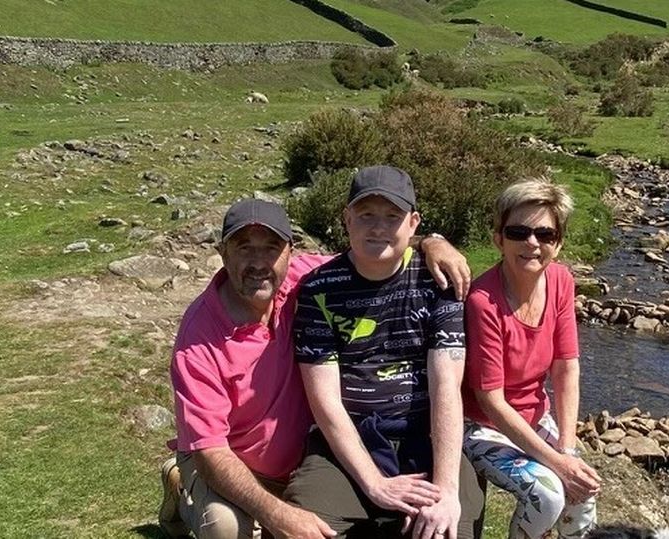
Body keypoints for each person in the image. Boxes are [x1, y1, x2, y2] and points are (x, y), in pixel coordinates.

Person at [159, 197, 471, 539]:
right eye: (244, 247)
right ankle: (183, 485)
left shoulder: (305, 279)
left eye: (272, 248)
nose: (259, 262)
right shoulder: (198, 340)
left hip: (300, 462)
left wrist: (432, 242)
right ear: (223, 253)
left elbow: (374, 249)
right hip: (228, 463)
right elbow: (211, 451)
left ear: (290, 252)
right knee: (227, 528)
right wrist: (276, 513)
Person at [286, 165, 486, 539]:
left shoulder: (439, 282)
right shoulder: (318, 289)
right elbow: (324, 401)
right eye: (366, 215)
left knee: (446, 527)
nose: (378, 227)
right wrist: (373, 482)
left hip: (423, 436)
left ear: (413, 223)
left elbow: (446, 387)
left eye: (392, 216)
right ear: (347, 219)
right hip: (347, 442)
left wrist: (445, 491)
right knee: (305, 527)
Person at [462, 179, 601, 539]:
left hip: (535, 416)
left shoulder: (561, 281)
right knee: (548, 495)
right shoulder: (483, 301)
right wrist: (556, 463)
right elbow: (489, 400)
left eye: (545, 234)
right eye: (518, 232)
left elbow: (566, 367)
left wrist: (567, 449)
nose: (532, 243)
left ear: (559, 242)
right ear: (498, 238)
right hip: (481, 426)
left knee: (583, 490)